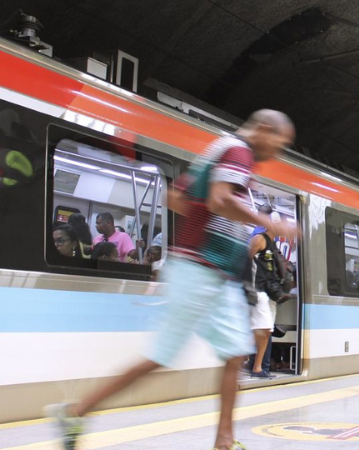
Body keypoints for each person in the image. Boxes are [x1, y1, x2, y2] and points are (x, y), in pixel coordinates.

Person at [48, 109, 296, 450]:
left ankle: (224, 441)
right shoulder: (238, 152)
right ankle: (76, 411)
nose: (276, 153)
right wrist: (270, 224)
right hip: (199, 269)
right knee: (163, 354)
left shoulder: (218, 148)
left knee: (236, 353)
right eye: (279, 144)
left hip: (214, 273)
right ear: (266, 129)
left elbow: (176, 198)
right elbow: (220, 199)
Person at [247, 223, 293, 379]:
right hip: (257, 291)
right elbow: (246, 260)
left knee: (266, 330)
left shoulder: (273, 244)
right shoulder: (259, 239)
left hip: (268, 293)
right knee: (264, 329)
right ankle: (252, 363)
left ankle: (257, 367)